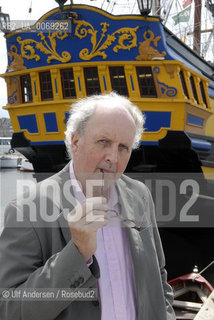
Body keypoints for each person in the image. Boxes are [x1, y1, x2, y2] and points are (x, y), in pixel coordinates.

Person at [0, 92, 175, 320]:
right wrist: (78, 253)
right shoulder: (27, 209)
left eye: (124, 147)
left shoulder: (140, 195)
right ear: (75, 142)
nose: (113, 156)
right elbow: (10, 309)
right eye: (104, 142)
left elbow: (159, 278)